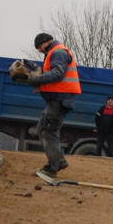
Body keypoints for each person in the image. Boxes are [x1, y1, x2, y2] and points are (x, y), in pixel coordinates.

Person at [27, 32, 81, 177]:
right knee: (42, 128)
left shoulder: (58, 52)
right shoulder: (54, 52)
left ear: (47, 41)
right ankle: (59, 161)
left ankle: (52, 168)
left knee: (49, 131)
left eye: (39, 46)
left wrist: (36, 79)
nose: (39, 50)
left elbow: (58, 74)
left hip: (60, 98)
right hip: (57, 99)